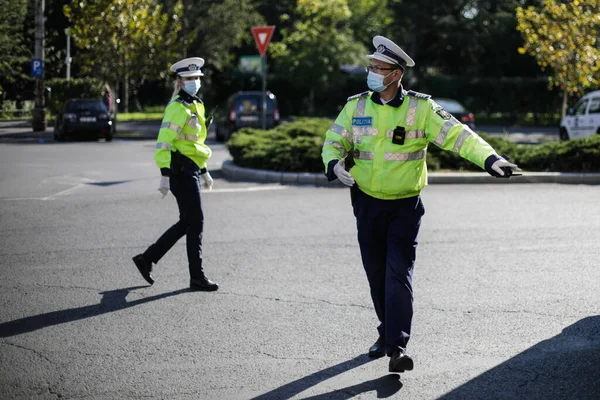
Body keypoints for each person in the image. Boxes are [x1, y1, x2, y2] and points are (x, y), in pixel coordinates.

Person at [321, 36, 518, 373]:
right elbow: (334, 139)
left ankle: (397, 347)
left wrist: (490, 159)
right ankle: (386, 333)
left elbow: (459, 136)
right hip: (366, 203)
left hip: (404, 206)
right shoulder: (356, 106)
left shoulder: (421, 108)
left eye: (378, 68)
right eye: (371, 67)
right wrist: (333, 164)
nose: (371, 72)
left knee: (398, 273)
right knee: (376, 275)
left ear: (396, 74)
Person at [132, 57, 218, 292]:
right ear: (180, 81)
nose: (194, 82)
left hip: (190, 169)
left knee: (188, 222)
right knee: (195, 221)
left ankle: (147, 259)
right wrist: (164, 174)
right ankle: (195, 276)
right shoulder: (177, 107)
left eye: (197, 78)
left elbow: (194, 144)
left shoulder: (196, 105)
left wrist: (204, 171)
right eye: (189, 79)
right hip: (180, 173)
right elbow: (164, 142)